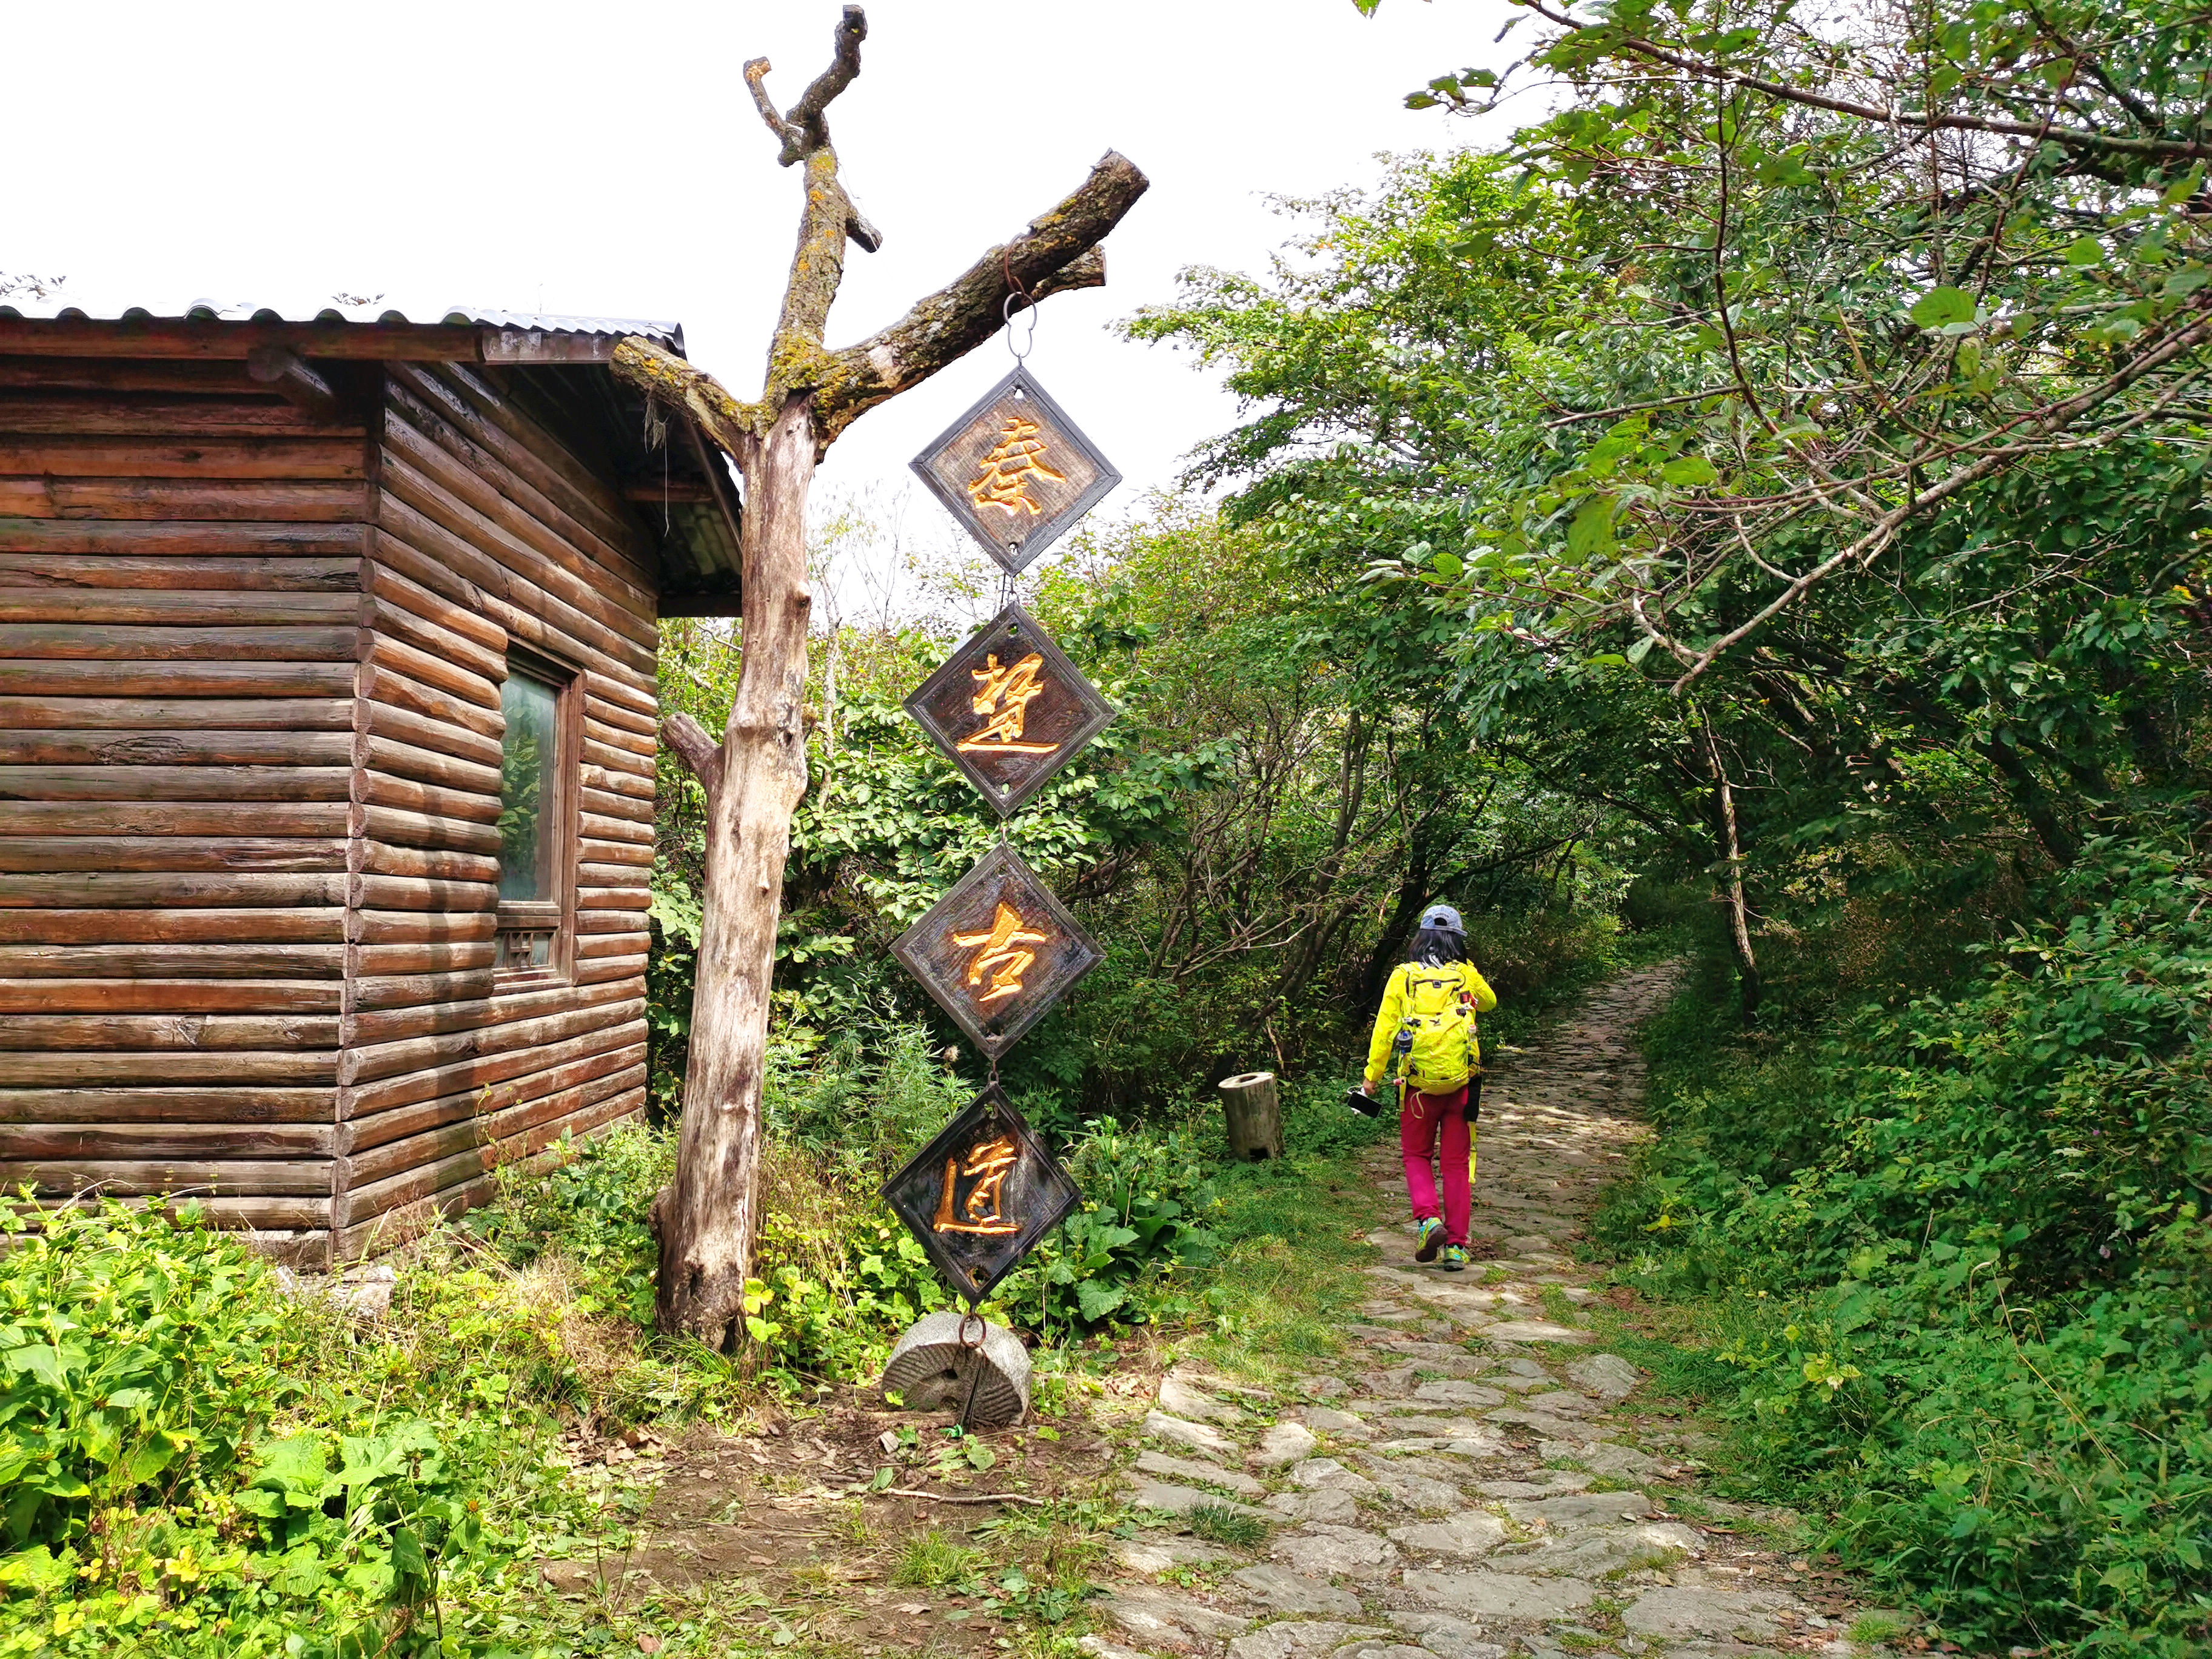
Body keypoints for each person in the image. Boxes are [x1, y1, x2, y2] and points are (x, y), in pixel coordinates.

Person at [1359, 903, 1497, 1272]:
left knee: (1416, 1156)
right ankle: (1456, 1247)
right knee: (1455, 1165)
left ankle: (1428, 1220)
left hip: (1417, 1087)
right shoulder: (1465, 974)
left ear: (1420, 938)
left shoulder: (1403, 976)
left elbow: (1385, 1030)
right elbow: (1490, 1003)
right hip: (1461, 1085)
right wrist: (1468, 973)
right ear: (1456, 940)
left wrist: (1371, 1078)